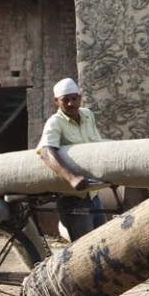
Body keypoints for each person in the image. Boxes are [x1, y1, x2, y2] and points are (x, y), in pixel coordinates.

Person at [36, 78, 107, 242]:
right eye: (65, 100)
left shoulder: (88, 115)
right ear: (56, 102)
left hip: (93, 195)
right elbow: (46, 152)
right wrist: (71, 178)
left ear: (80, 98)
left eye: (74, 98)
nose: (70, 103)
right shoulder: (55, 123)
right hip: (73, 199)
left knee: (104, 242)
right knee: (86, 248)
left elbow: (97, 145)